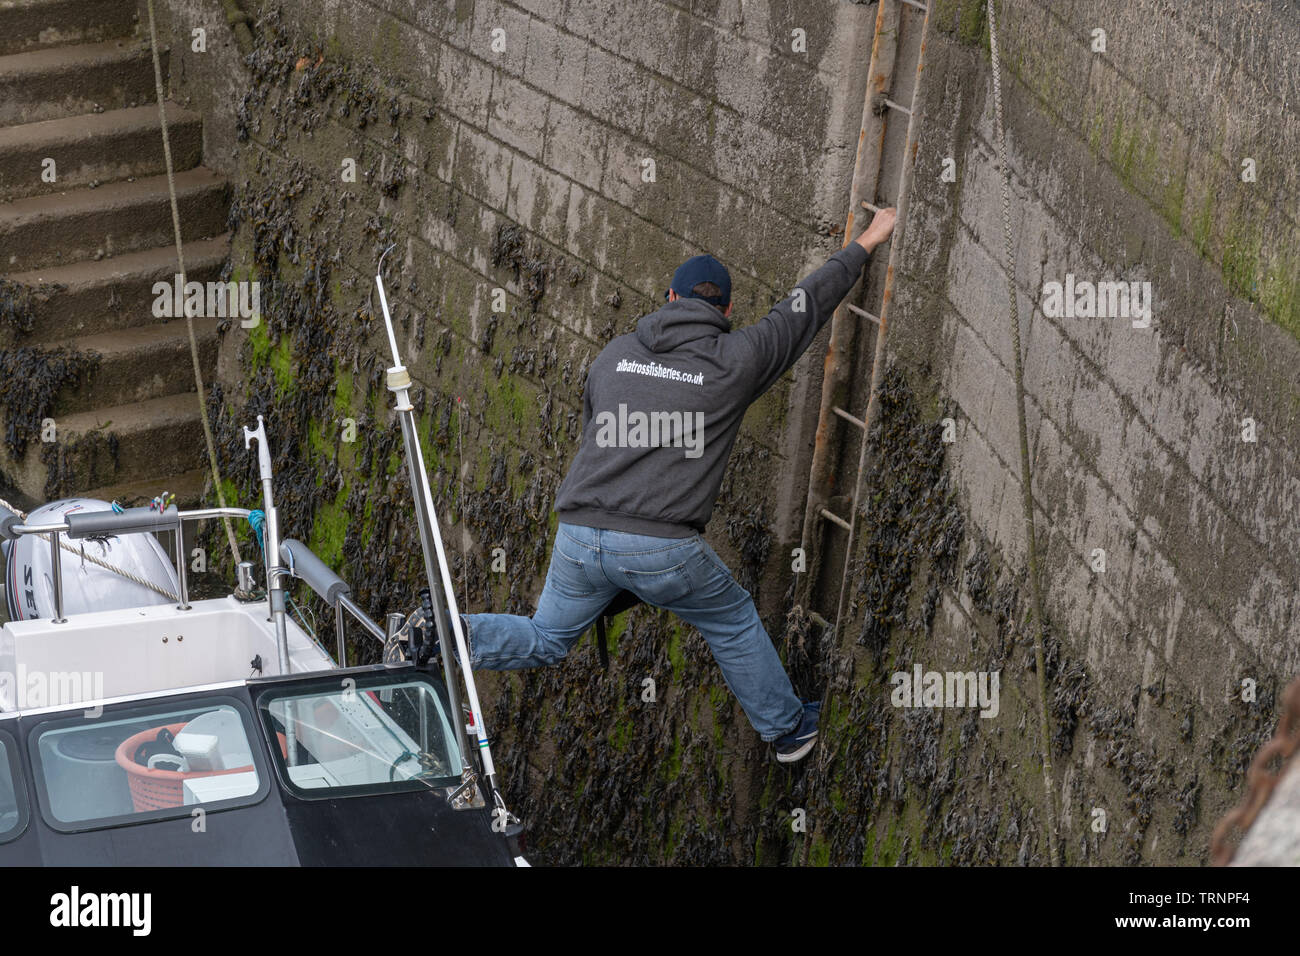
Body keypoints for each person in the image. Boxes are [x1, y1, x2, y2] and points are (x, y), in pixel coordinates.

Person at [443, 207, 897, 763]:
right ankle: (787, 731)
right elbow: (804, 307)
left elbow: (593, 436)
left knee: (546, 638)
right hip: (660, 549)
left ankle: (446, 633)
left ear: (669, 298)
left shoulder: (614, 355)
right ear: (726, 310)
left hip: (580, 535)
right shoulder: (738, 358)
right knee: (730, 619)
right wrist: (869, 239)